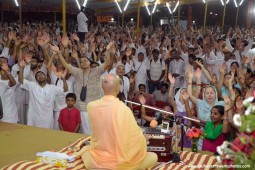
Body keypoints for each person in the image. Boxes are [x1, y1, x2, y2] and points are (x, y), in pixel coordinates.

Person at [81, 74, 157, 169]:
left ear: (102, 87)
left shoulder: (91, 106)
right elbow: (133, 138)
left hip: (96, 162)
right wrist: (143, 139)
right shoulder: (123, 109)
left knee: (85, 150)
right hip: (118, 163)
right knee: (153, 157)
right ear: (118, 88)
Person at [18, 60, 68, 129]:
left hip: (47, 120)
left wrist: (64, 80)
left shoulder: (52, 88)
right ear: (36, 79)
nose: (40, 76)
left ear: (46, 77)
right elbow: (21, 80)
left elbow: (65, 90)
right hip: (33, 119)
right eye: (38, 75)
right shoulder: (32, 85)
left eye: (42, 74)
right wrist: (21, 69)